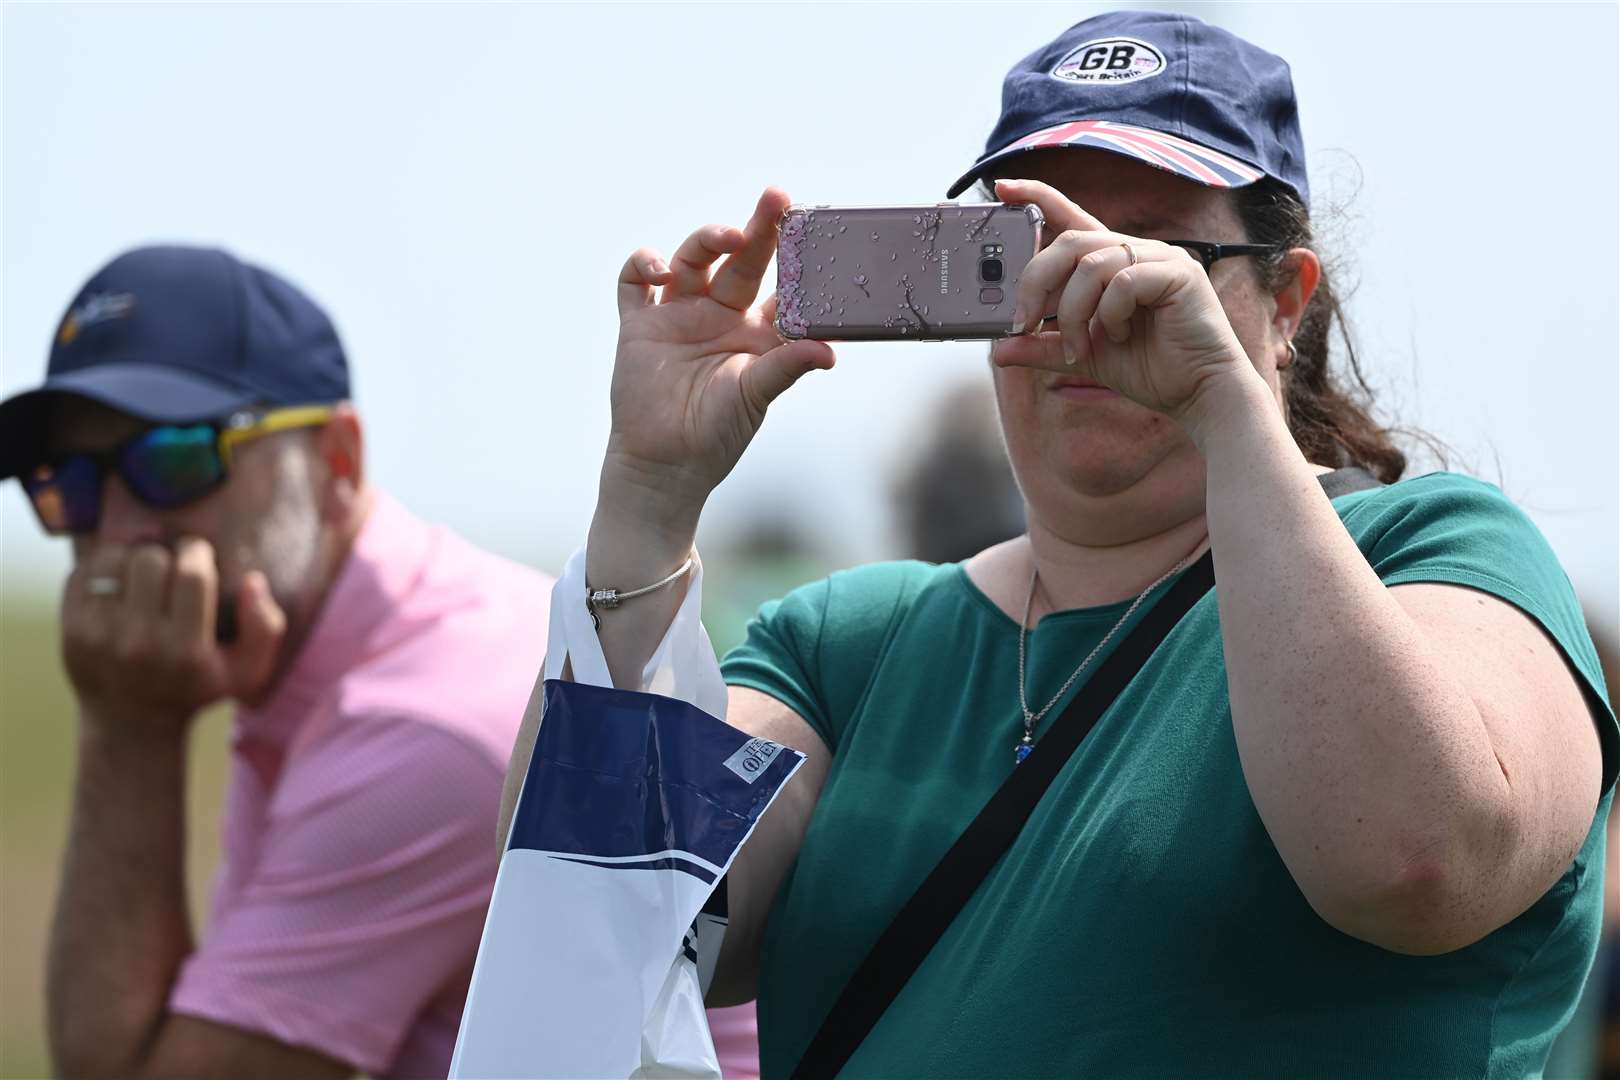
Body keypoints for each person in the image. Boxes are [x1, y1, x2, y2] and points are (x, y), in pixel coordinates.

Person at [502, 10, 1617, 1078]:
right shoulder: (852, 646)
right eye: (1025, 255)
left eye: (1150, 257)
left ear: (1287, 301)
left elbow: (1410, 859)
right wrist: (648, 496)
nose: (1087, 301)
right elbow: (604, 937)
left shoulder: (1437, 553)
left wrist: (1221, 408)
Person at [2, 246, 625, 1079]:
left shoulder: (421, 732)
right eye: (67, 486)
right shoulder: (383, 642)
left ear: (337, 460)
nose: (114, 535)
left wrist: (129, 728)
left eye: (174, 458)